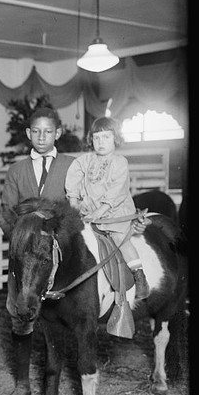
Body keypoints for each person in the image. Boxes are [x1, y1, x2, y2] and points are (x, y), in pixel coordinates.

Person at [0, 107, 74, 395]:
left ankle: (52, 387)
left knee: (58, 320)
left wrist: (60, 242)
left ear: (57, 133)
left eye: (48, 131)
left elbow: (76, 211)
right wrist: (22, 243)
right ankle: (21, 384)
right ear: (29, 134)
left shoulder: (71, 166)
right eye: (36, 131)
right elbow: (6, 213)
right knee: (21, 315)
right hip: (25, 260)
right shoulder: (17, 171)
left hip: (59, 259)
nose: (42, 137)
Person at [65, 116, 150, 300]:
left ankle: (139, 275)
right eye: (96, 138)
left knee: (120, 239)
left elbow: (116, 190)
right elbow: (73, 175)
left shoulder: (120, 162)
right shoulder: (86, 160)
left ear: (115, 139)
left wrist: (100, 211)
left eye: (106, 137)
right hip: (90, 214)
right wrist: (74, 202)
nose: (100, 142)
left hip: (114, 213)